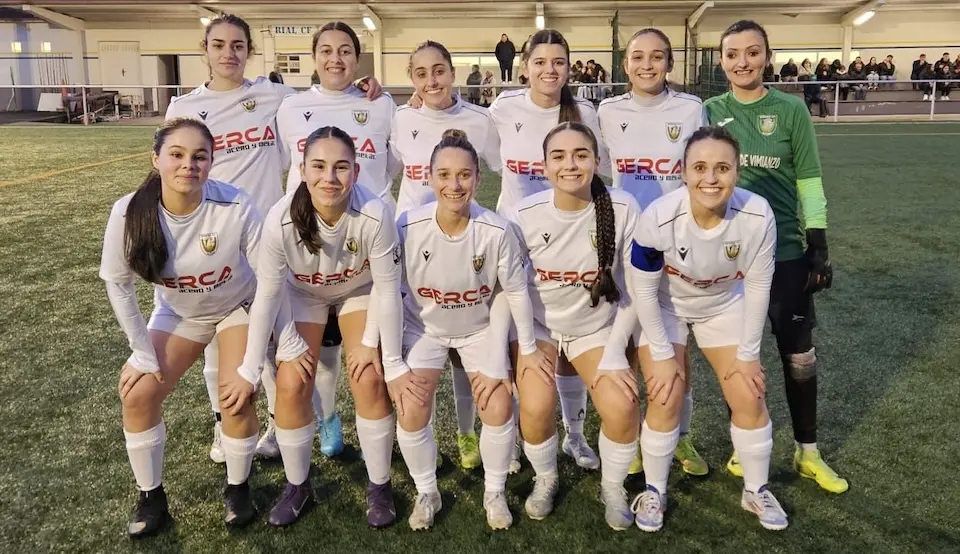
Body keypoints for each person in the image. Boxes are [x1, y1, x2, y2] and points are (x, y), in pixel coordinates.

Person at [237, 126, 413, 528]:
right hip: (302, 296)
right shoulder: (281, 219)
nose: (329, 178)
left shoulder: (374, 214)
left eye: (341, 167)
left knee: (368, 377)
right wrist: (267, 355)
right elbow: (268, 294)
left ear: (355, 171)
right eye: (318, 166)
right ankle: (297, 486)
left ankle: (379, 484)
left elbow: (388, 288)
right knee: (291, 382)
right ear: (301, 170)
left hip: (359, 291)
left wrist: (374, 346)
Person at [101, 118, 266, 537]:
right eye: (176, 154)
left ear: (212, 162)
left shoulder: (235, 205)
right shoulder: (128, 211)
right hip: (181, 314)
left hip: (236, 307)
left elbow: (271, 278)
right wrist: (141, 350)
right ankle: (151, 498)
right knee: (138, 394)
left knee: (235, 398)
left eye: (199, 156)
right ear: (156, 159)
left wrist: (268, 349)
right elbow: (117, 284)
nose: (188, 165)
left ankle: (238, 487)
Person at [705, 19, 847, 494]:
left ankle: (808, 451)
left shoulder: (789, 110)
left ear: (766, 56)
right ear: (721, 60)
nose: (742, 62)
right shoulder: (709, 109)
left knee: (799, 356)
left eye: (752, 52)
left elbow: (808, 179)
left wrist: (819, 246)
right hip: (729, 258)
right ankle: (742, 447)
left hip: (784, 252)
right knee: (739, 357)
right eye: (732, 54)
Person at [626, 125, 787, 532]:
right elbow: (642, 293)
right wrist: (662, 356)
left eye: (722, 168)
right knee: (666, 395)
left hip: (722, 306)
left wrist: (749, 356)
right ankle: (655, 491)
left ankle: (756, 489)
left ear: (737, 171)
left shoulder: (758, 215)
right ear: (683, 172)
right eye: (699, 167)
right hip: (666, 306)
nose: (710, 178)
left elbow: (757, 287)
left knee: (749, 394)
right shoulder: (658, 218)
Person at [393, 130, 549, 530]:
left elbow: (516, 293)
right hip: (423, 327)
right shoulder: (407, 226)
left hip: (478, 329)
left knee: (497, 405)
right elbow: (388, 291)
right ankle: (427, 490)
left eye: (464, 175)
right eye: (444, 175)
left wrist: (524, 350)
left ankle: (494, 492)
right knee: (411, 407)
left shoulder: (496, 230)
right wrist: (391, 359)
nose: (454, 184)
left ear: (478, 179)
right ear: (429, 178)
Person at [165, 13, 295, 463]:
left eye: (237, 45)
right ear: (205, 50)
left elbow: (324, 103)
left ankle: (278, 427)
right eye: (219, 45)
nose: (228, 53)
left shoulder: (273, 95)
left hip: (267, 238)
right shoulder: (183, 107)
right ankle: (224, 424)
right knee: (218, 346)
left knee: (275, 339)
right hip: (212, 241)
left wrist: (369, 90)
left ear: (248, 51)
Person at [504, 121, 641, 528]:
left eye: (581, 155)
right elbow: (507, 289)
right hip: (540, 327)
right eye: (558, 157)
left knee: (623, 404)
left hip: (595, 328)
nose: (570, 165)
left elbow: (637, 288)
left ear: (597, 161)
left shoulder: (622, 206)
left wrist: (616, 352)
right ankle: (546, 478)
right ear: (544, 167)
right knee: (535, 403)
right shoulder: (523, 213)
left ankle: (612, 486)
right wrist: (525, 347)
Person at [489, 28, 611, 472]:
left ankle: (575, 436)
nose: (549, 70)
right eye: (539, 62)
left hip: (572, 241)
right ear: (524, 66)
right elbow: (483, 152)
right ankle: (527, 435)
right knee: (518, 340)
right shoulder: (503, 109)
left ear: (569, 67)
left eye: (558, 62)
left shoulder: (585, 113)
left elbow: (603, 169)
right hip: (516, 240)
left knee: (570, 339)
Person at [276, 21, 395, 460]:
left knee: (370, 359)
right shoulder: (290, 107)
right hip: (308, 250)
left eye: (345, 50)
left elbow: (394, 165)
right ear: (313, 56)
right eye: (325, 50)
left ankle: (380, 437)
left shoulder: (382, 105)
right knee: (321, 355)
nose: (335, 59)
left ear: (358, 58)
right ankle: (327, 419)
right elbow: (283, 168)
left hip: (365, 247)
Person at [597, 27, 709, 477]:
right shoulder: (606, 111)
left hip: (676, 243)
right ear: (625, 64)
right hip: (625, 242)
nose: (647, 65)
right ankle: (635, 432)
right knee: (626, 342)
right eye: (638, 57)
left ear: (669, 63)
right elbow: (601, 166)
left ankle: (680, 435)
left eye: (656, 57)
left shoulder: (690, 108)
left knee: (676, 348)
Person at [392, 41, 503, 470]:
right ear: (412, 79)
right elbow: (384, 165)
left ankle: (466, 432)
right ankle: (424, 436)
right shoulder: (400, 117)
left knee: (464, 344)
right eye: (421, 74)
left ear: (452, 73)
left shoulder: (480, 120)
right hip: (412, 250)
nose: (431, 81)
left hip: (465, 245)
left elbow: (503, 165)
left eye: (439, 71)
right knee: (417, 344)